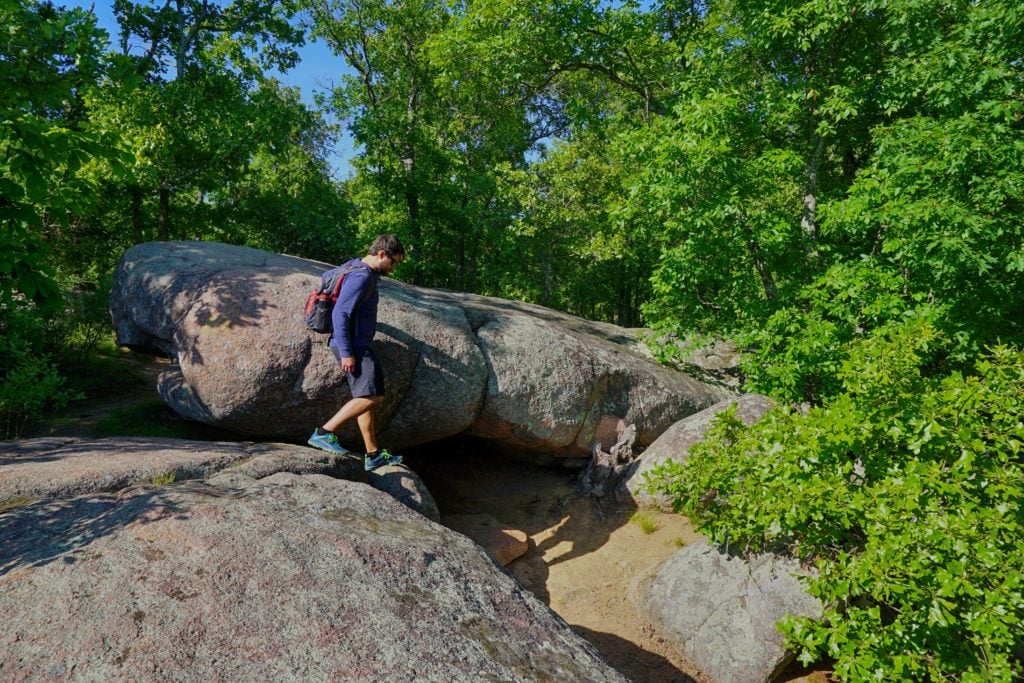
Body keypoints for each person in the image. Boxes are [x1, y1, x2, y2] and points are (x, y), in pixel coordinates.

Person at [307, 234, 405, 471]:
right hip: (354, 346)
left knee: (365, 399)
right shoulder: (362, 276)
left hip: (353, 343)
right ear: (382, 254)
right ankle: (323, 432)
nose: (393, 268)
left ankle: (372, 454)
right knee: (374, 396)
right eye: (394, 262)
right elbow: (340, 313)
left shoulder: (354, 267)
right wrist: (348, 352)